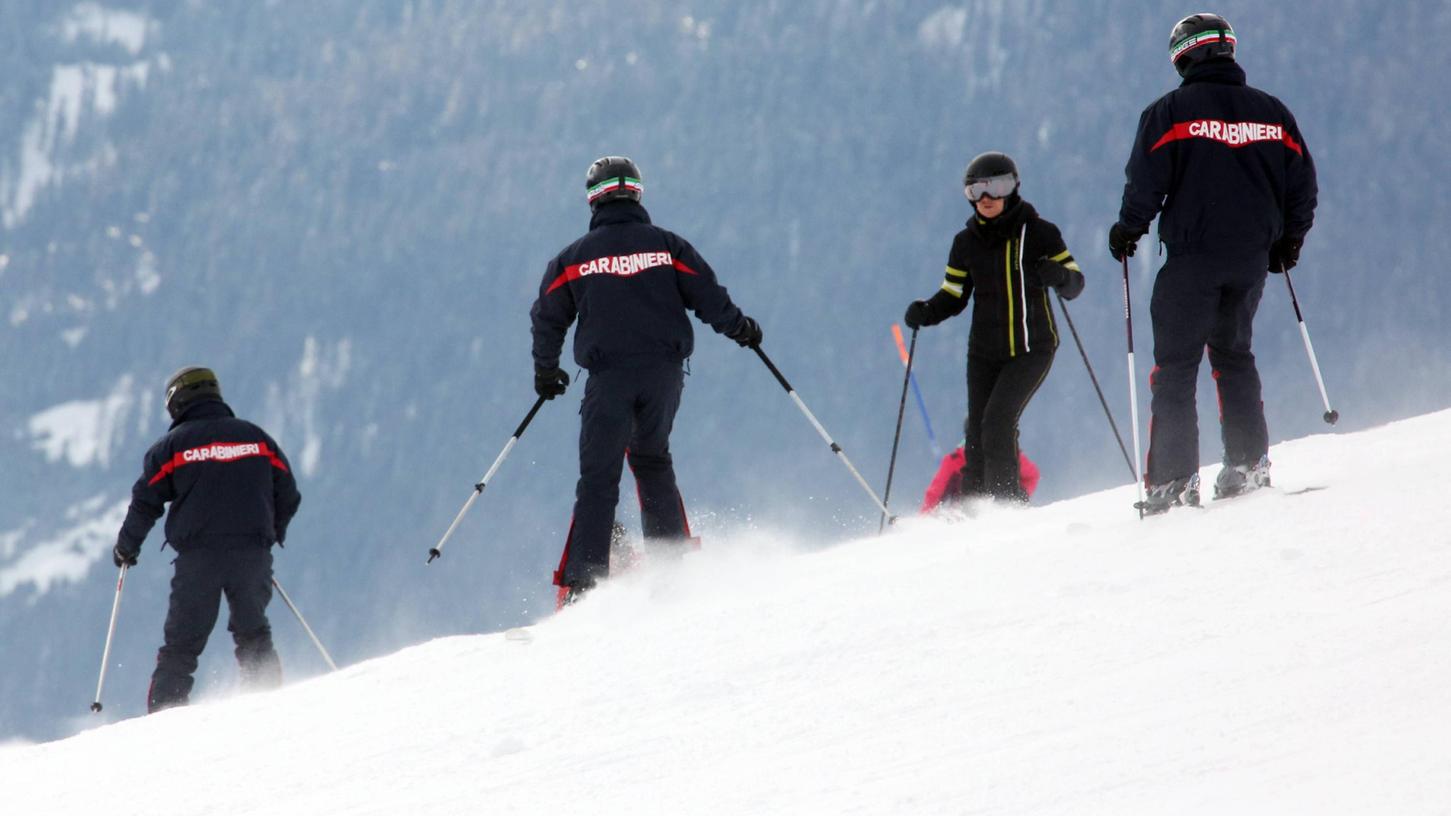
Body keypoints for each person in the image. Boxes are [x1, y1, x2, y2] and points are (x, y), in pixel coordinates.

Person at [1108, 13, 1318, 513]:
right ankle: (1248, 464)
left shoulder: (1169, 113)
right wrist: (1290, 241)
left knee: (1176, 369)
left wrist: (1128, 230)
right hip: (1249, 258)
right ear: (1228, 50)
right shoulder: (1272, 113)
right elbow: (1302, 186)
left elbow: (1146, 182)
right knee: (1233, 356)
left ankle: (1173, 480)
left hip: (1192, 257)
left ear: (1181, 56)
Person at [531, 156, 761, 605]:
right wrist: (741, 329)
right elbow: (709, 297)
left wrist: (546, 370)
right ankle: (670, 564)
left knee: (599, 477)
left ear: (593, 198)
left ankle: (584, 582)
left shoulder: (573, 259)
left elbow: (547, 317)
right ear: (636, 192)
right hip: (664, 376)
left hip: (609, 378)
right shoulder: (668, 246)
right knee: (653, 460)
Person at [112, 366, 302, 712]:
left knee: (182, 646)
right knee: (253, 633)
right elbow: (287, 493)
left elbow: (146, 502)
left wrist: (127, 547)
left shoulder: (171, 447)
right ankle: (269, 708)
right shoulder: (257, 439)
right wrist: (269, 535)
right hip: (251, 554)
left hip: (199, 559)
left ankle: (165, 718)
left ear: (176, 402)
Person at [903, 151, 1084, 503]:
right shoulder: (965, 243)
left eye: (996, 187)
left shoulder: (1040, 234)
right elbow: (954, 296)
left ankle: (1004, 504)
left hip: (1032, 348)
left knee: (998, 420)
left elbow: (1075, 284)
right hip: (984, 352)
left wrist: (1059, 275)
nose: (986, 199)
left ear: (1013, 189)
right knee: (975, 431)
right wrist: (926, 310)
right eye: (976, 191)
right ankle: (973, 508)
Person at [922, 445, 1039, 513]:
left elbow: (1032, 476)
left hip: (968, 513)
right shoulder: (954, 461)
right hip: (965, 515)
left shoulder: (954, 460)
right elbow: (934, 495)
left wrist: (1018, 498)